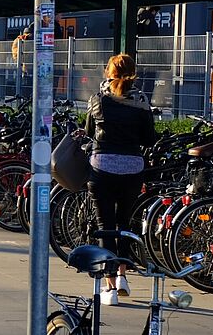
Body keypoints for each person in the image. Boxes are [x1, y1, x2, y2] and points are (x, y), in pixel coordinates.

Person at [83, 53, 156, 306]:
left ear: (108, 72)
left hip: (102, 167)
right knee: (124, 223)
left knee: (106, 225)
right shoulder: (142, 101)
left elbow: (88, 132)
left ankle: (110, 285)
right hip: (132, 168)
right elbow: (149, 139)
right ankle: (124, 276)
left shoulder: (98, 100)